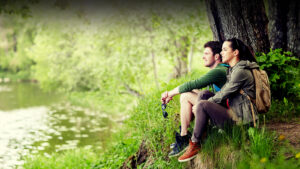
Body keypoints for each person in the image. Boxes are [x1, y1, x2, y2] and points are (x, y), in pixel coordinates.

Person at [177, 38, 259, 162]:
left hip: (242, 123)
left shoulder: (240, 72)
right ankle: (203, 134)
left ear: (235, 52)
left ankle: (195, 143)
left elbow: (223, 94)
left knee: (203, 104)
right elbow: (222, 93)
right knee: (204, 94)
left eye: (225, 49)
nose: (221, 53)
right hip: (234, 111)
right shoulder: (233, 69)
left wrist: (200, 105)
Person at [160, 41, 229, 157]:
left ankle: (184, 137)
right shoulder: (220, 69)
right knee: (188, 94)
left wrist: (169, 93)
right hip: (220, 106)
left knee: (185, 95)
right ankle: (184, 135)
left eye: (206, 54)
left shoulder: (219, 71)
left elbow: (194, 84)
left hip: (224, 113)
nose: (203, 57)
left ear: (216, 56)